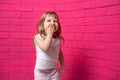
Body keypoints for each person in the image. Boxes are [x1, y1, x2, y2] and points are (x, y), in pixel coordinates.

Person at [32, 11, 65, 80]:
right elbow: (45, 48)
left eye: (55, 21)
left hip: (54, 71)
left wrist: (62, 64)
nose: (52, 23)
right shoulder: (38, 37)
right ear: (42, 25)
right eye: (49, 20)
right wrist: (50, 34)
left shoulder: (57, 40)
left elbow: (60, 53)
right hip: (41, 72)